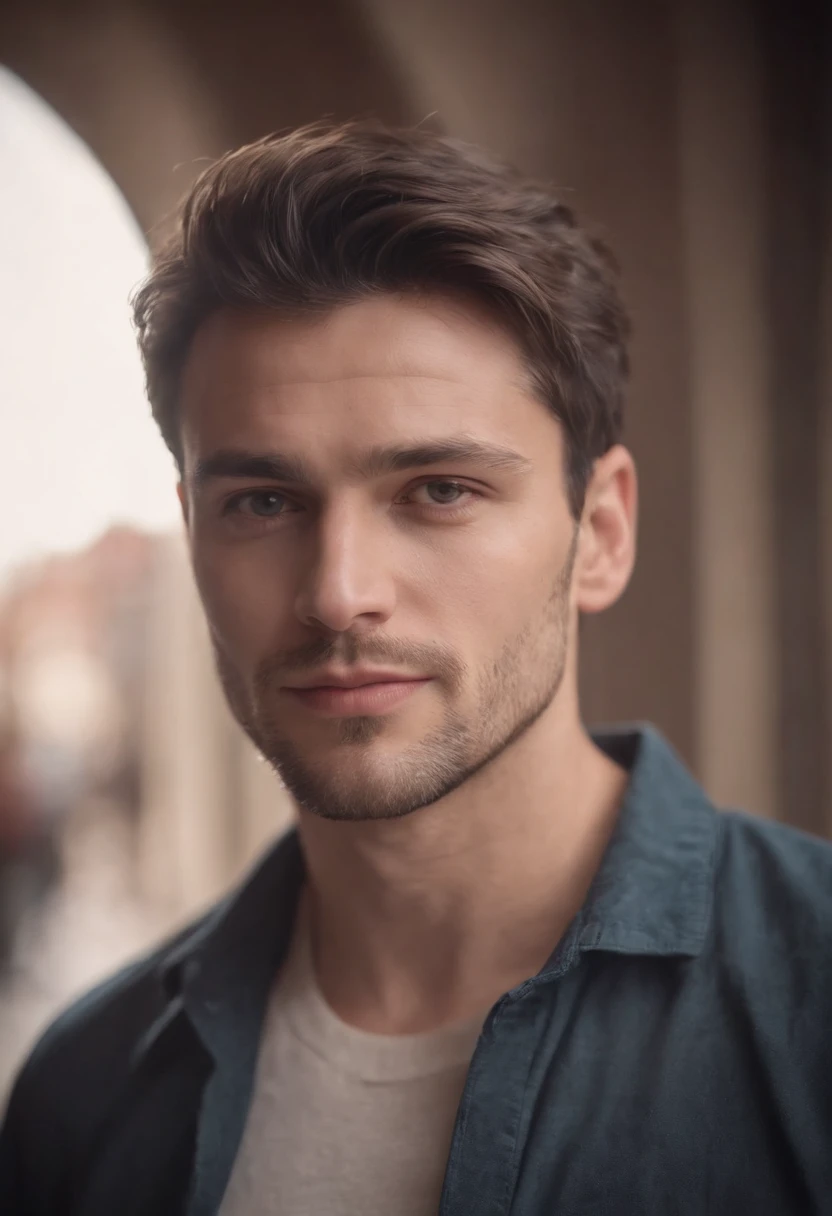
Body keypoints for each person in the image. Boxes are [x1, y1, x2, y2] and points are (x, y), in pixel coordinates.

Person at [1, 121, 830, 1216]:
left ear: (602, 532)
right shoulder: (84, 1089)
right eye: (261, 503)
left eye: (438, 489)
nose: (339, 591)